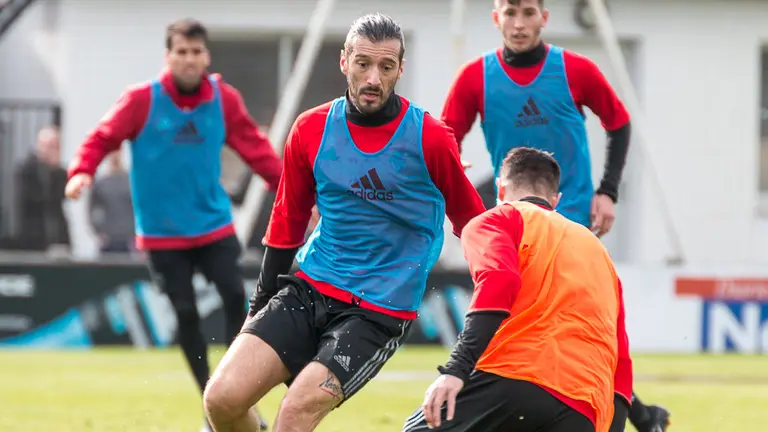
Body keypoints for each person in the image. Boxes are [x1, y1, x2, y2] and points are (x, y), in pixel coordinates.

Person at [202, 13, 487, 432]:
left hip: (378, 311)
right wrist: (259, 309)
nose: (373, 78)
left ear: (400, 70)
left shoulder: (430, 138)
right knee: (221, 399)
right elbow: (287, 224)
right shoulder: (311, 129)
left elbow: (476, 225)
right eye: (363, 64)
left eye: (386, 67)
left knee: (295, 412)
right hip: (311, 287)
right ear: (344, 61)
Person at [439, 1, 670, 430]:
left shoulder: (576, 70)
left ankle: (622, 411)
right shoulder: (475, 77)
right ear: (496, 18)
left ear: (544, 18)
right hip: (514, 220)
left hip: (571, 215)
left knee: (571, 318)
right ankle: (637, 414)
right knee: (533, 317)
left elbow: (619, 122)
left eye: (528, 12)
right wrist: (455, 172)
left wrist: (608, 192)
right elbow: (444, 137)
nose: (519, 23)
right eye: (510, 12)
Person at [64, 19, 281, 432]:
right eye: (180, 51)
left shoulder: (223, 99)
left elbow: (257, 150)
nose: (188, 59)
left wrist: (298, 194)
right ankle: (212, 403)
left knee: (237, 298)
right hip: (162, 235)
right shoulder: (141, 100)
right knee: (184, 312)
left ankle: (238, 395)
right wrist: (82, 170)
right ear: (168, 56)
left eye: (196, 51)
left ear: (206, 56)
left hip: (214, 225)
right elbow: (101, 138)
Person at [403, 147, 632, 432]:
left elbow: (499, 282)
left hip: (513, 378)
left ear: (500, 188)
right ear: (556, 199)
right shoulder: (597, 250)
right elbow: (618, 350)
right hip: (584, 405)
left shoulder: (496, 220)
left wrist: (456, 370)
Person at [14, 126, 70, 253]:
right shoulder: (27, 169)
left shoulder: (60, 173)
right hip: (33, 236)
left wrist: (54, 171)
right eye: (49, 146)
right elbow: (37, 197)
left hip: (57, 235)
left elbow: (63, 196)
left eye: (55, 146)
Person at [89, 150, 135, 254]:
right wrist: (98, 232)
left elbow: (138, 208)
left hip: (128, 240)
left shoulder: (131, 181)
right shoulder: (101, 183)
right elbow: (91, 210)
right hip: (108, 240)